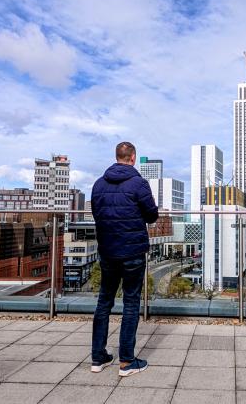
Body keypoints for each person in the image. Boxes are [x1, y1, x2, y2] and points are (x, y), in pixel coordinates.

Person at [90, 141, 158, 376]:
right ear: (133, 158)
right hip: (132, 252)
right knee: (130, 303)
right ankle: (126, 361)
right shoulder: (139, 183)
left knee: (104, 302)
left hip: (108, 251)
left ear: (117, 156)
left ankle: (98, 358)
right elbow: (152, 216)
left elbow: (97, 214)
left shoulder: (98, 184)